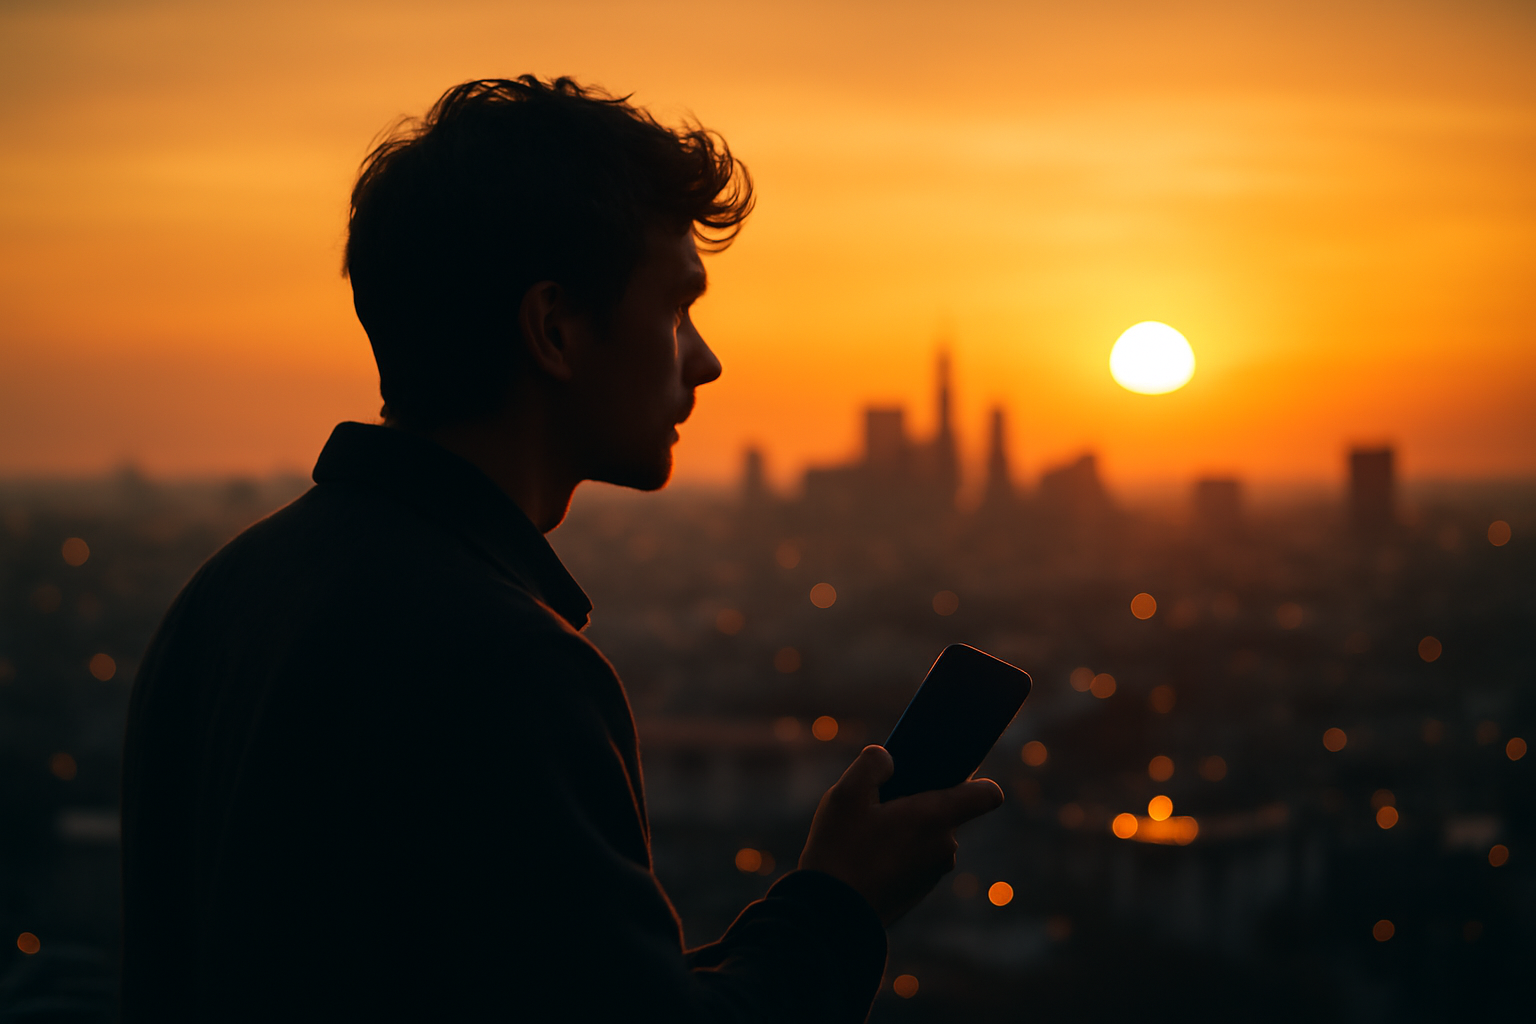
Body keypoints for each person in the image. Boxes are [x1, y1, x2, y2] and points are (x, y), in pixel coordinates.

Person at [120, 76, 1003, 1022]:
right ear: (554, 330)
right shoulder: (502, 661)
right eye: (676, 309)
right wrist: (841, 905)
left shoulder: (223, 599)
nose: (702, 359)